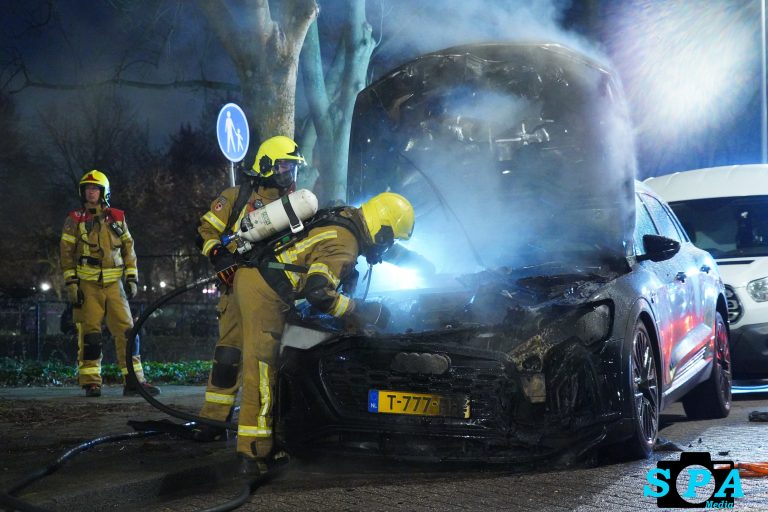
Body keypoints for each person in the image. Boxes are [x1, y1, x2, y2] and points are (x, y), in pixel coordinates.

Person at [233, 191, 415, 476]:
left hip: (269, 284)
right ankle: (252, 451)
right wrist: (357, 310)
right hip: (263, 290)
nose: (386, 247)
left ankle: (277, 437)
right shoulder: (346, 242)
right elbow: (319, 293)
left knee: (291, 355)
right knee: (262, 367)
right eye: (390, 240)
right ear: (382, 229)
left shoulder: (345, 217)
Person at [194, 136, 305, 441]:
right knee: (229, 354)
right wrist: (218, 254)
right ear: (266, 165)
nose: (289, 173)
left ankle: (274, 423)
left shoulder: (297, 204)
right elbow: (205, 230)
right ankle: (214, 420)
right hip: (236, 290)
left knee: (274, 359)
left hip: (277, 295)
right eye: (284, 165)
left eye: (293, 167)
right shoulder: (237, 198)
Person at [59, 170, 160, 397]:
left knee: (128, 332)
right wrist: (72, 284)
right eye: (87, 188)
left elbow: (128, 248)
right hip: (88, 285)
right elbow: (66, 254)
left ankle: (134, 381)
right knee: (90, 334)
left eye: (95, 189)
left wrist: (132, 277)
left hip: (115, 285)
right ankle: (91, 382)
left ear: (104, 192)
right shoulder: (74, 219)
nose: (90, 192)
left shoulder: (117, 217)